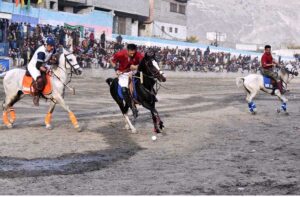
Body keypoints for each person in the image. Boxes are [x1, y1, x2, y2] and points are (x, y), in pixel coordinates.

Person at [110, 44, 144, 118]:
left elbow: (143, 63)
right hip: (124, 73)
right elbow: (111, 60)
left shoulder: (137, 54)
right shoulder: (120, 54)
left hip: (134, 71)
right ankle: (133, 108)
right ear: (127, 50)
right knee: (124, 89)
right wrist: (116, 69)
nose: (132, 55)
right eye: (131, 53)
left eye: (134, 53)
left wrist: (136, 66)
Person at [27, 36, 56, 106]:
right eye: (51, 46)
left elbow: (53, 56)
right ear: (46, 45)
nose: (52, 47)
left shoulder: (52, 49)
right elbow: (38, 66)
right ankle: (36, 95)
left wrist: (54, 59)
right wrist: (46, 70)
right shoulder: (41, 52)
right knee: (40, 80)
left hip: (43, 64)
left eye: (53, 46)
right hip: (34, 66)